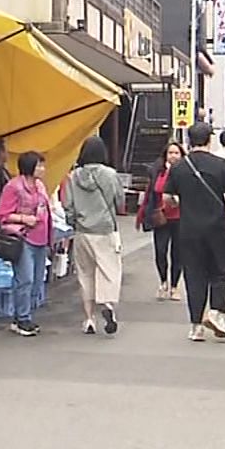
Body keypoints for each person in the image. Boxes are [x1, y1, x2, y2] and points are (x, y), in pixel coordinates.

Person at [173, 122, 225, 342]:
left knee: (194, 275)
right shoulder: (222, 165)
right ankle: (215, 313)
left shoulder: (180, 167)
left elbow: (167, 197)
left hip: (188, 229)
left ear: (189, 141)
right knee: (222, 270)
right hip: (217, 228)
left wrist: (183, 203)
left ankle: (195, 326)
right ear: (209, 140)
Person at [64, 136, 124, 336]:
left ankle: (89, 319)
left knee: (85, 274)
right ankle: (107, 304)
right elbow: (120, 200)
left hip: (82, 231)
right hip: (105, 230)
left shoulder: (73, 176)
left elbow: (69, 207)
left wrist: (74, 221)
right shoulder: (110, 174)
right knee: (109, 271)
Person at [0, 150, 52, 337]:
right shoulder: (13, 187)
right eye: (39, 165)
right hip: (22, 237)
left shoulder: (40, 186)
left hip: (41, 237)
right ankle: (22, 318)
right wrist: (24, 219)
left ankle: (25, 315)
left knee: (37, 280)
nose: (43, 169)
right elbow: (2, 214)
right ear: (29, 167)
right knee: (24, 278)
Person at [138, 142, 185, 301]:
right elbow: (151, 194)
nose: (173, 156)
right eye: (170, 152)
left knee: (178, 253)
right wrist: (144, 215)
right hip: (161, 217)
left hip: (180, 217)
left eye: (176, 153)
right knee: (160, 251)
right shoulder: (157, 171)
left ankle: (174, 286)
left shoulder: (187, 172)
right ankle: (163, 281)